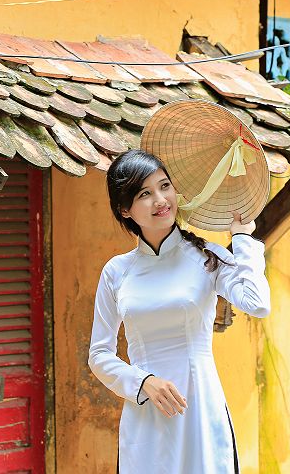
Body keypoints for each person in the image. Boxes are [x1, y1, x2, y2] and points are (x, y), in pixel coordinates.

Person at [88, 149, 271, 473]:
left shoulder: (207, 258)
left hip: (200, 407)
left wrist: (242, 239)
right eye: (145, 193)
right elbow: (99, 354)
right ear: (125, 210)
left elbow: (257, 303)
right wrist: (143, 381)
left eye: (165, 186)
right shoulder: (117, 272)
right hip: (145, 411)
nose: (160, 199)